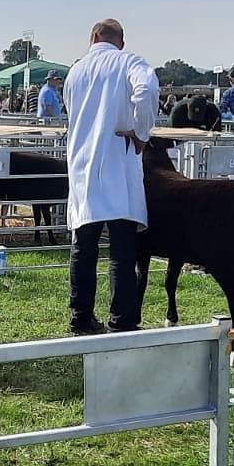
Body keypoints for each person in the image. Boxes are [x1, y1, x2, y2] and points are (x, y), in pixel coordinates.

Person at [64, 18, 159, 335]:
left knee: (84, 248)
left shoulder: (75, 71)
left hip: (82, 166)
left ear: (92, 36)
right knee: (122, 250)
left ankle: (80, 318)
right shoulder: (129, 61)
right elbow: (147, 90)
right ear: (122, 39)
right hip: (118, 161)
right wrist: (142, 131)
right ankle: (123, 320)